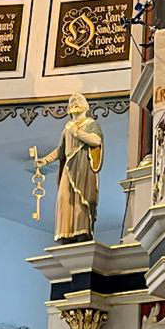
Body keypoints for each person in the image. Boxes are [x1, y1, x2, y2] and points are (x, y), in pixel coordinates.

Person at [34, 91, 104, 242]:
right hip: (69, 167)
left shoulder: (90, 124)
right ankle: (66, 233)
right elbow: (61, 150)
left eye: (78, 100)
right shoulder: (67, 128)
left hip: (82, 165)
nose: (75, 103)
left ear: (85, 106)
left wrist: (77, 133)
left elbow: (96, 141)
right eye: (72, 101)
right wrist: (45, 160)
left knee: (80, 199)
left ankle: (82, 231)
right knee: (64, 198)